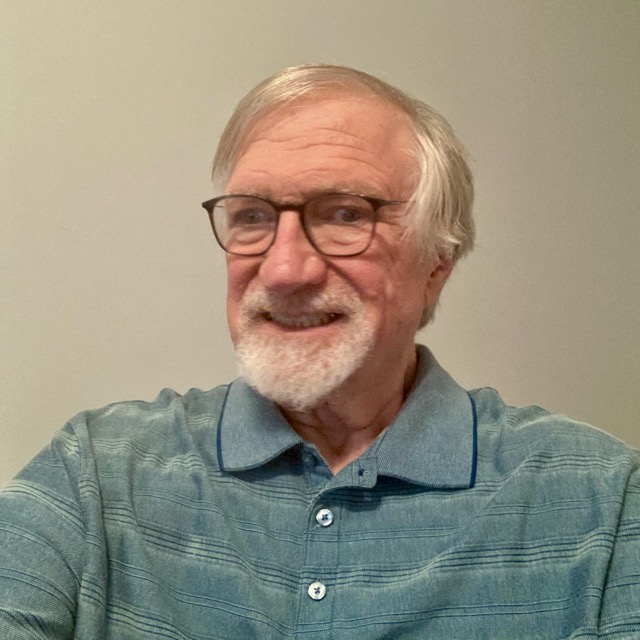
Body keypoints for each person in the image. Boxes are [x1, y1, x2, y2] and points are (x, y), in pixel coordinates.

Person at [0, 64, 638, 640]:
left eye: (345, 215)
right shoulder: (97, 473)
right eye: (252, 216)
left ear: (437, 265)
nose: (283, 271)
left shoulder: (604, 504)